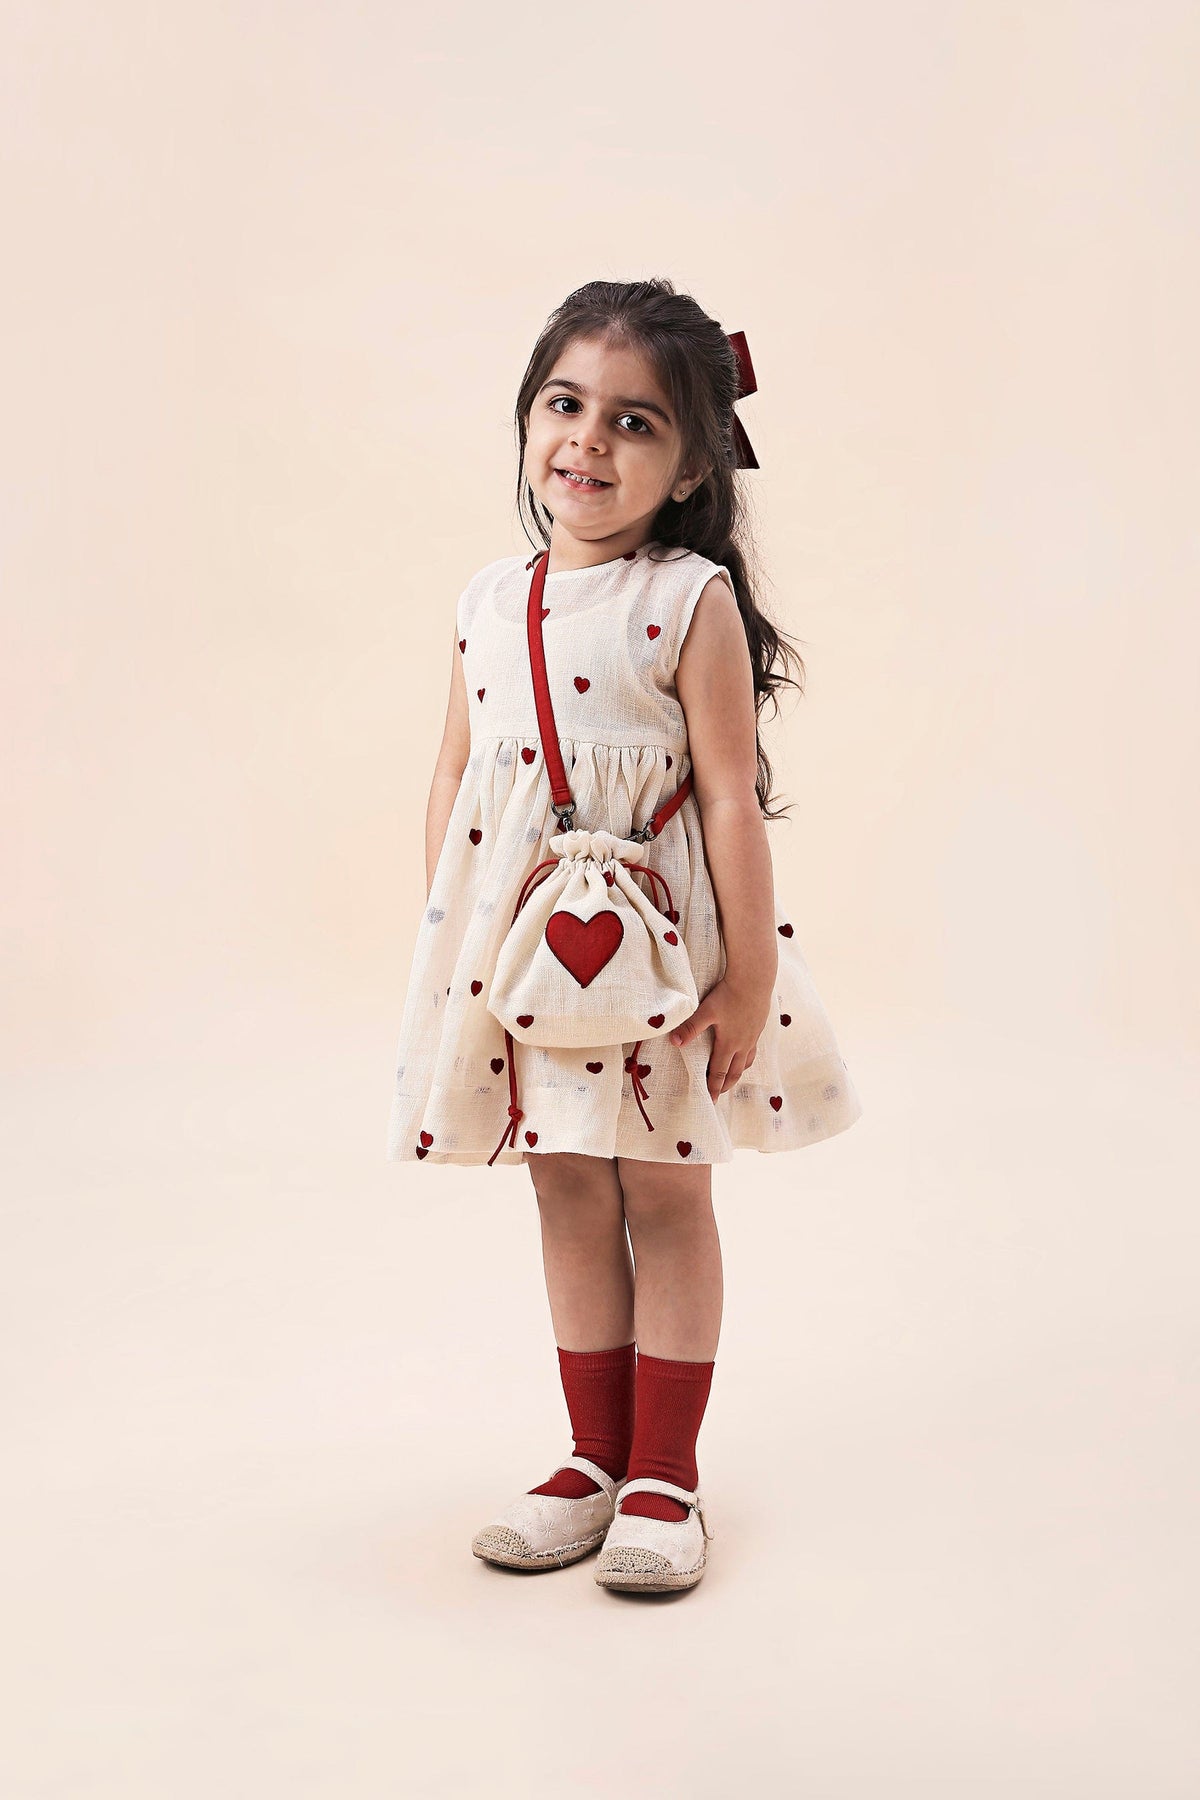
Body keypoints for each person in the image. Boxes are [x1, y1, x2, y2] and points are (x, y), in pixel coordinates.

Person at [386, 278, 864, 1594]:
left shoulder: (686, 599)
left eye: (635, 421)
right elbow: (455, 773)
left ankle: (665, 1475)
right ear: (527, 417)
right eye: (565, 404)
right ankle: (592, 1459)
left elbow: (728, 793)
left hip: (662, 965)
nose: (588, 441)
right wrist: (457, 947)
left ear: (694, 464)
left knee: (664, 1187)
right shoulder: (489, 600)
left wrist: (748, 977)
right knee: (564, 1182)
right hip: (528, 967)